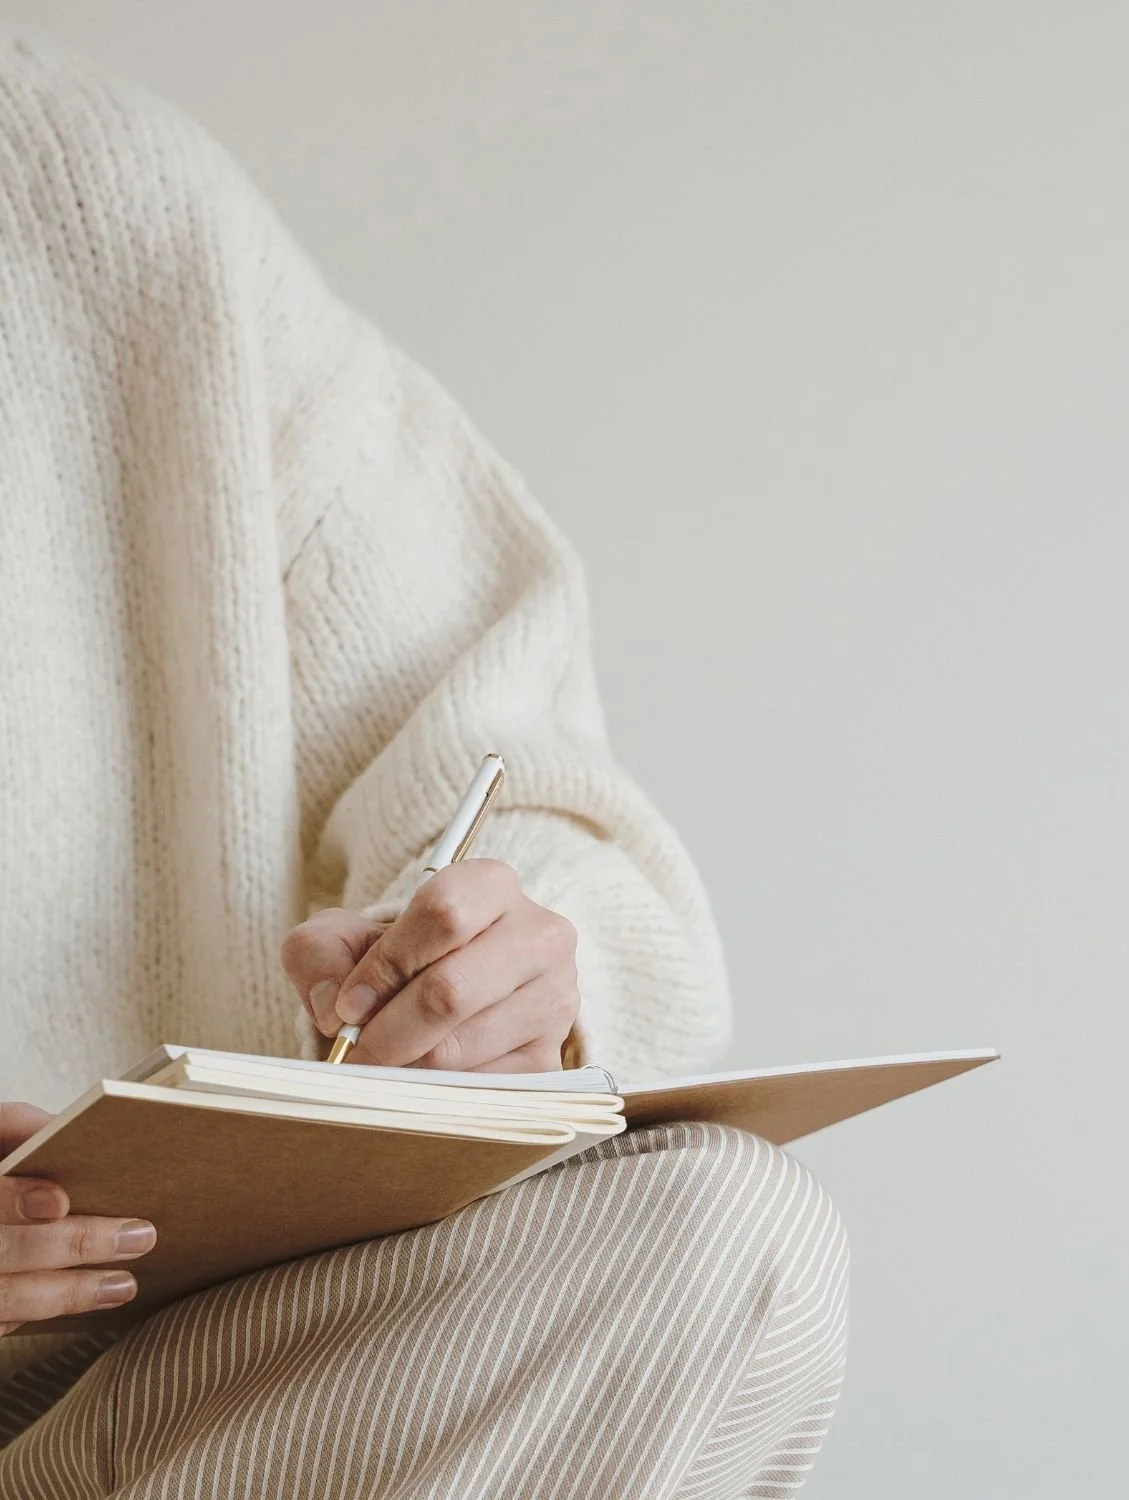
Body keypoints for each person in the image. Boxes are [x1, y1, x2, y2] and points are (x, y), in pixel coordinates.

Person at [0, 33, 847, 1497]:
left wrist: (508, 979)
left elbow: (517, 771)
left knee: (728, 1244)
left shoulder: (98, 206)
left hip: (180, 1401)